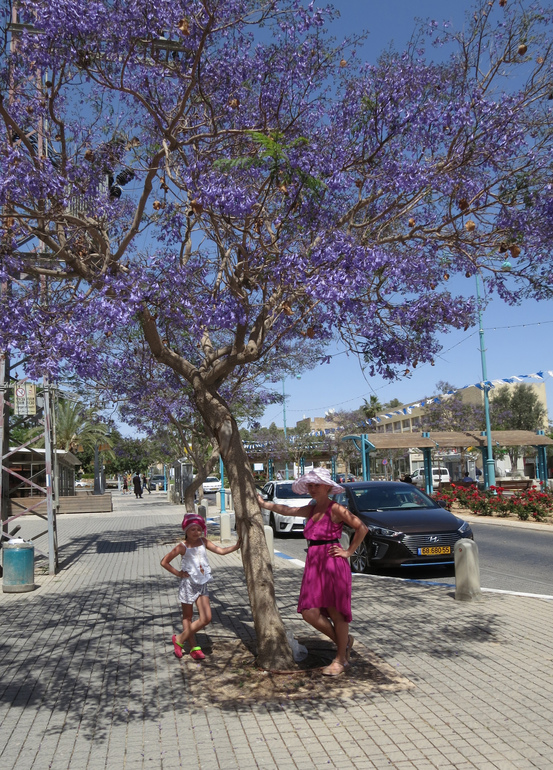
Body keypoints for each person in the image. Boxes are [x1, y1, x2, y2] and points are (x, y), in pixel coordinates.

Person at [257, 467, 368, 677]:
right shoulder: (311, 508)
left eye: (316, 484)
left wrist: (348, 552)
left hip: (333, 564)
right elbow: (286, 510)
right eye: (310, 485)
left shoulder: (336, 509)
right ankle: (344, 643)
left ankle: (341, 659)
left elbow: (361, 527)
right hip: (314, 564)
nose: (312, 488)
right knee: (309, 612)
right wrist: (264, 504)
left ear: (327, 487)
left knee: (336, 613)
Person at [161, 513, 241, 660]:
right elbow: (164, 562)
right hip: (188, 585)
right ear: (186, 530)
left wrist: (236, 546)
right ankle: (193, 647)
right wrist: (178, 573)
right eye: (193, 529)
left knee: (206, 618)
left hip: (202, 584)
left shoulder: (204, 542)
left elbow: (221, 551)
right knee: (188, 616)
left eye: (199, 529)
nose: (196, 532)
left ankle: (179, 638)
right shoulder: (182, 547)